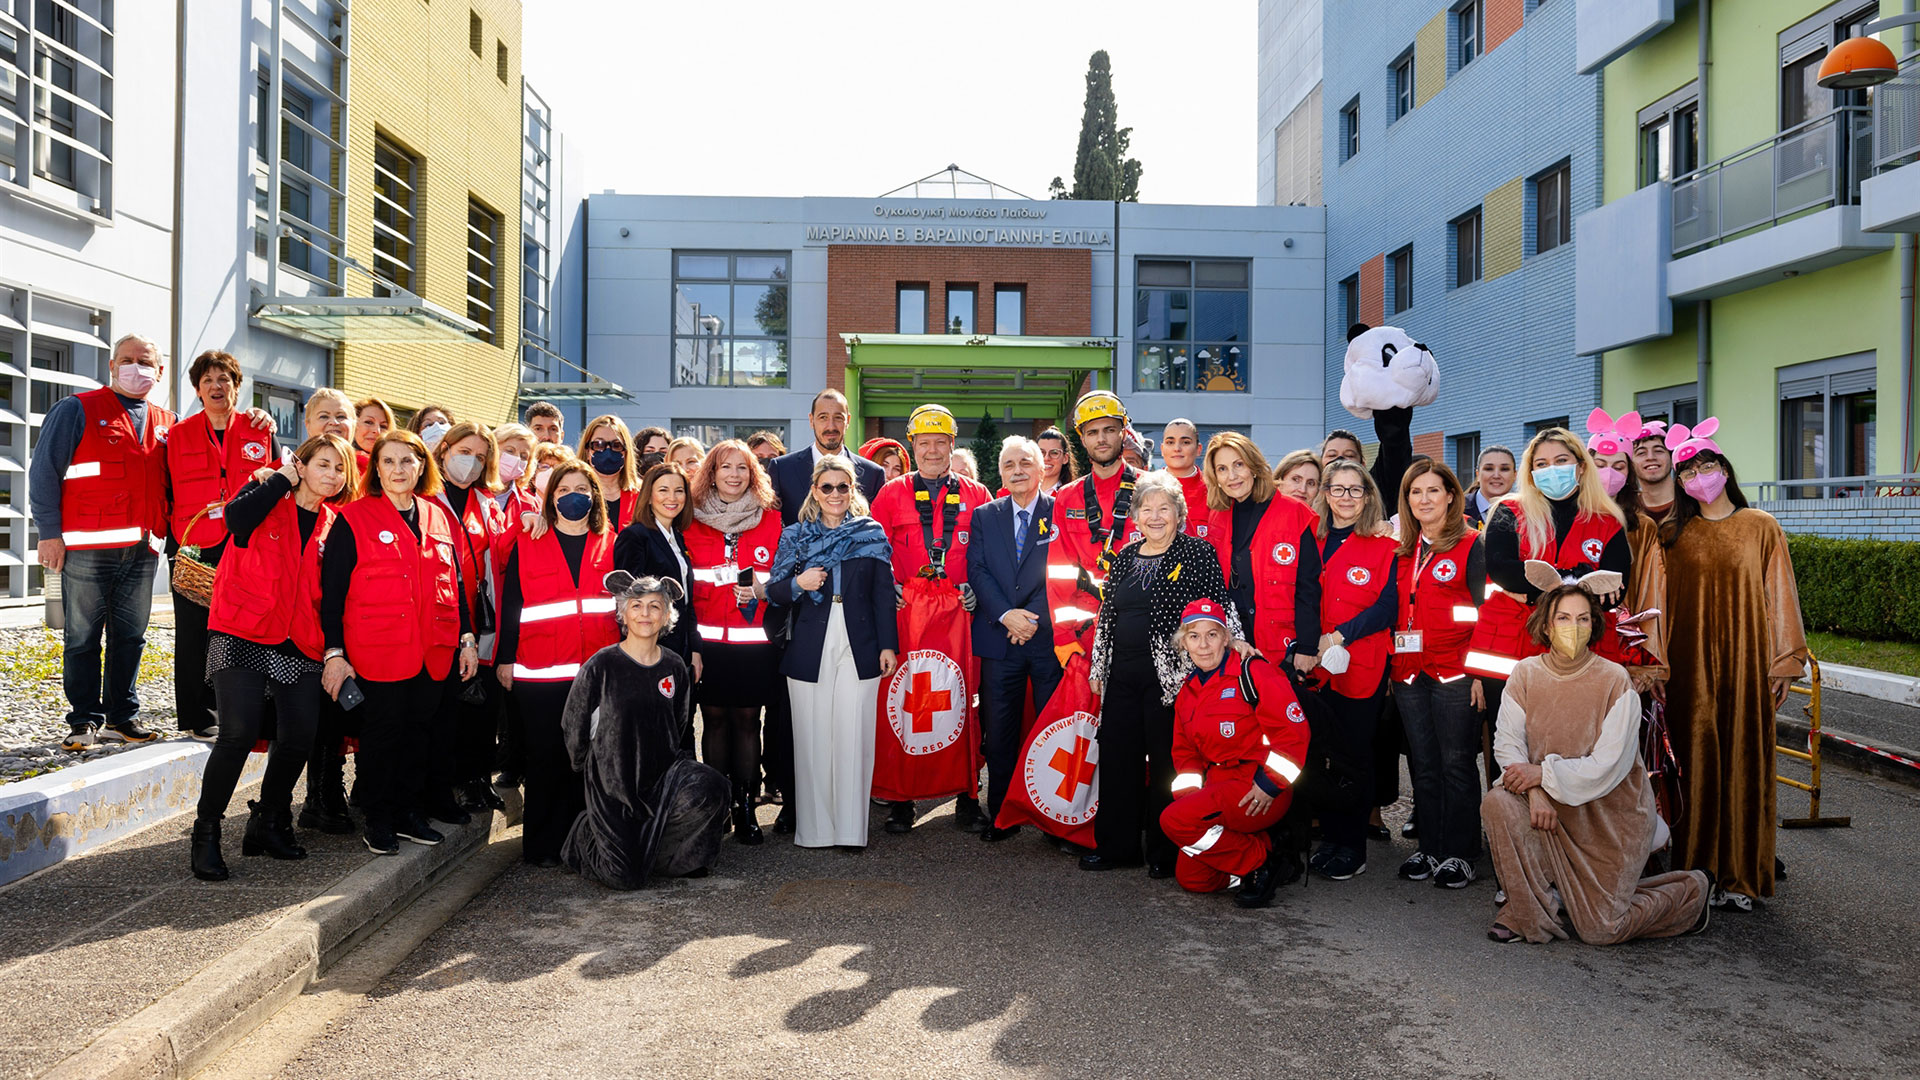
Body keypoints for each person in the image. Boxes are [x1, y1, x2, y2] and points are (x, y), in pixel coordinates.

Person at [1483, 583, 1711, 944]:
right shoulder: (1525, 674)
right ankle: (1528, 910)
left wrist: (1541, 774)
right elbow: (1507, 745)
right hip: (1548, 806)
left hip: (1607, 817)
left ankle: (1691, 891)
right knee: (1497, 803)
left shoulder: (1614, 680)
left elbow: (1608, 766)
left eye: (1582, 618)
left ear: (1594, 626)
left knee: (1601, 930)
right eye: (1563, 618)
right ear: (1545, 626)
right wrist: (1538, 791)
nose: (1572, 627)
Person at [190, 433, 354, 881]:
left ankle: (269, 821)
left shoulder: (336, 523)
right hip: (242, 629)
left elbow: (337, 592)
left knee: (300, 736)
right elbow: (236, 523)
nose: (332, 475)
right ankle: (206, 832)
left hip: (299, 639)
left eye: (340, 468)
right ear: (301, 464)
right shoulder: (263, 491)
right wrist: (279, 478)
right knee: (237, 734)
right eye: (323, 464)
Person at [1657, 422, 1807, 912]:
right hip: (1688, 668)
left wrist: (1784, 661)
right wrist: (1654, 666)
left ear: (1725, 470)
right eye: (1690, 471)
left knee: (1745, 764)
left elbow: (1781, 594)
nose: (1700, 476)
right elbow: (1654, 604)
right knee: (1693, 769)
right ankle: (1698, 876)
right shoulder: (1673, 534)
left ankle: (1741, 876)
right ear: (1680, 482)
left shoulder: (1760, 526)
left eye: (1708, 466)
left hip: (1747, 667)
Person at [320, 429, 474, 855]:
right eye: (388, 461)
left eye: (407, 461)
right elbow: (331, 595)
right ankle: (378, 818)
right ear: (375, 469)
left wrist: (466, 639)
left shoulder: (438, 517)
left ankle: (409, 812)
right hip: (377, 651)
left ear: (422, 465)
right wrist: (335, 653)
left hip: (435, 649)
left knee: (419, 733)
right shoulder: (353, 519)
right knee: (382, 736)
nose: (398, 470)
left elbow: (455, 584)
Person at [1085, 470, 1242, 875]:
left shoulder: (1197, 553)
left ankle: (1165, 851)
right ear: (1135, 516)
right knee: (1119, 761)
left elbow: (1219, 603)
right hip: (1121, 675)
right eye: (1147, 509)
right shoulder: (1125, 556)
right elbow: (1108, 616)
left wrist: (1237, 641)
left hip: (1172, 678)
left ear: (1179, 513)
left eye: (1164, 508)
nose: (1156, 517)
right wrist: (1098, 666)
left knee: (1170, 768)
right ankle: (1118, 848)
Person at [34, 334, 175, 751]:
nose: (137, 367)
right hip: (87, 549)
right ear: (112, 367)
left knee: (130, 637)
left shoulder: (170, 422)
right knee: (82, 637)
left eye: (145, 361)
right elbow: (44, 473)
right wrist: (48, 534)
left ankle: (121, 718)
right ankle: (83, 721)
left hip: (143, 549)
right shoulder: (76, 410)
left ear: (160, 371)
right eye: (127, 360)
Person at [561, 572, 731, 888]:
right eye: (636, 606)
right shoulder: (601, 666)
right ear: (623, 613)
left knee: (713, 786)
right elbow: (574, 725)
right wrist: (587, 768)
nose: (645, 614)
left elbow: (679, 722)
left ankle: (669, 857)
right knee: (624, 879)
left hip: (663, 775)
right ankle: (584, 836)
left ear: (667, 615)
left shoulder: (674, 666)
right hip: (615, 787)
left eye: (654, 607)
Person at [1466, 428, 1630, 753]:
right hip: (1512, 651)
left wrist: (1540, 584)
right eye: (1540, 464)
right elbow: (1502, 571)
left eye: (1560, 460)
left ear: (1581, 466)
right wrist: (1580, 578)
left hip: (1584, 651)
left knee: (1579, 748)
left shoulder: (1607, 521)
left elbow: (1615, 590)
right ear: (1530, 472)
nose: (1550, 469)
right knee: (1513, 752)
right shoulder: (1508, 512)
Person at [868, 403, 990, 834]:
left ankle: (967, 796)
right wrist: (889, 589)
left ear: (952, 445)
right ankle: (902, 799)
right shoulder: (890, 493)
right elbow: (874, 551)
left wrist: (978, 590)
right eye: (925, 443)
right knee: (902, 705)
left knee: (962, 704)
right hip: (908, 618)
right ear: (912, 446)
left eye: (941, 442)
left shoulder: (976, 494)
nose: (933, 450)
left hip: (959, 620)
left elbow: (986, 554)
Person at [766, 457, 898, 849]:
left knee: (854, 734)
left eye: (843, 487)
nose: (836, 494)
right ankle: (816, 831)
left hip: (860, 642)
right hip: (809, 641)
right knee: (812, 736)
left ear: (853, 491)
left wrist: (888, 644)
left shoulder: (870, 533)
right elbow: (774, 592)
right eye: (827, 487)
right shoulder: (795, 536)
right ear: (814, 491)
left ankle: (850, 831)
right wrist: (799, 583)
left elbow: (882, 595)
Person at [496, 458, 618, 867]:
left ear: (594, 496)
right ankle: (543, 846)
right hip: (540, 671)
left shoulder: (610, 541)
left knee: (588, 759)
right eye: (563, 491)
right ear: (550, 499)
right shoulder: (529, 540)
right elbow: (512, 603)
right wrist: (505, 659)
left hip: (594, 672)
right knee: (546, 757)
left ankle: (583, 843)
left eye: (582, 489)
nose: (573, 497)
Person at [1162, 598, 1311, 908]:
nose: (1203, 645)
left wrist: (1270, 784)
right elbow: (1185, 754)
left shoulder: (1253, 672)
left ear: (1226, 638)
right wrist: (1192, 802)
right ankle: (1272, 848)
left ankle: (1259, 863)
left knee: (1173, 822)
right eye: (1193, 636)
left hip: (1258, 785)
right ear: (1183, 643)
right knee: (1195, 880)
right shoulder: (1187, 690)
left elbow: (1294, 733)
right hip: (1217, 787)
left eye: (1212, 634)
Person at [166, 350, 279, 740]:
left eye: (224, 379)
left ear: (236, 386)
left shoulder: (261, 429)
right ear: (197, 389)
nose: (217, 386)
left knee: (241, 629)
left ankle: (243, 711)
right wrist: (174, 544)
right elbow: (165, 489)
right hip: (196, 545)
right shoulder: (177, 435)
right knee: (195, 632)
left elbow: (280, 484)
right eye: (208, 380)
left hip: (247, 544)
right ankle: (199, 715)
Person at [1389, 460, 1487, 888]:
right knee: (1424, 765)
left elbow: (1492, 614)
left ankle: (1461, 852)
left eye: (1433, 491)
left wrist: (1481, 673)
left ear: (1451, 495)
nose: (1424, 499)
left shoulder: (1472, 544)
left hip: (1456, 673)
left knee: (1457, 764)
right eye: (1415, 492)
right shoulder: (1401, 549)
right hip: (1409, 672)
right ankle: (1429, 848)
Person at [684, 439, 784, 845]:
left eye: (743, 468)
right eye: (725, 467)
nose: (734, 475)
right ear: (711, 472)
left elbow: (783, 580)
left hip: (753, 645)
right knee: (714, 721)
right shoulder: (690, 521)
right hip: (708, 645)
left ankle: (745, 806)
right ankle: (718, 803)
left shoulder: (772, 521)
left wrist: (766, 588)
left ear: (753, 474)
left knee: (747, 722)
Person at [1304, 459, 1399, 882]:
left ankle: (1352, 845)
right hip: (1317, 668)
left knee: (1354, 757)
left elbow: (1388, 607)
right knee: (1323, 754)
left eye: (1355, 490)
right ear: (1325, 494)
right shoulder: (1313, 539)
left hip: (1361, 664)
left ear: (1368, 496)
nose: (1346, 498)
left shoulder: (1385, 545)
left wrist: (1342, 634)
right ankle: (1331, 838)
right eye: (1337, 489)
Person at [966, 436, 1063, 844]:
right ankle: (1002, 812)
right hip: (999, 639)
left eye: (1026, 462)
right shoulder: (984, 515)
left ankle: (1054, 817)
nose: (1017, 470)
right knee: (1000, 731)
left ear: (1043, 469)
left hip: (1047, 641)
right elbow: (978, 570)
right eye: (1009, 464)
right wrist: (1007, 615)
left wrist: (1031, 618)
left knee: (1052, 730)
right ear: (1000, 473)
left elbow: (1065, 567)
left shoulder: (1061, 511)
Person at [430, 421, 511, 818]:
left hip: (481, 619)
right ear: (444, 449)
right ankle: (446, 783)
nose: (471, 462)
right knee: (447, 709)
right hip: (439, 617)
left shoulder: (487, 504)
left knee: (483, 704)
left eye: (480, 457)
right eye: (465, 451)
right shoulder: (424, 496)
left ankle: (477, 779)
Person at [1200, 431, 1320, 668]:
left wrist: (1307, 647)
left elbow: (1309, 586)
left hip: (1281, 646)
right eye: (1222, 469)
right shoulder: (1217, 515)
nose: (1231, 476)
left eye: (1238, 465)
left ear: (1254, 466)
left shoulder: (1294, 512)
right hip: (1232, 643)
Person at [1044, 392, 1140, 670]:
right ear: (1082, 439)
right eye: (1093, 432)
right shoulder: (1067, 497)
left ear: (1123, 433)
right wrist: (1063, 637)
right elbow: (1058, 573)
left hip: (1143, 625)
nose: (1101, 439)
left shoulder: (1153, 489)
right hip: (1086, 632)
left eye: (1110, 430)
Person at [613, 463, 701, 682]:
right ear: (649, 496)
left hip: (681, 649)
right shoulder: (635, 537)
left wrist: (695, 649)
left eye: (679, 490)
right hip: (650, 653)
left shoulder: (679, 538)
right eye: (663, 490)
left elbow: (687, 601)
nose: (672, 497)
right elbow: (628, 605)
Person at [768, 389, 886, 526]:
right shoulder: (782, 469)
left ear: (847, 421)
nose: (831, 426)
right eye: (823, 417)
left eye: (838, 418)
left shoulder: (873, 474)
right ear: (811, 420)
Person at [578, 415, 642, 529]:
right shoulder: (574, 494)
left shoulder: (643, 494)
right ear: (587, 451)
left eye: (616, 445)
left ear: (626, 452)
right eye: (598, 445)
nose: (607, 451)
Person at [1160, 419, 1210, 537]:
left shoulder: (1214, 490)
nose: (1177, 448)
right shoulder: (1145, 487)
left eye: (1185, 442)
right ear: (1162, 449)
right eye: (1170, 442)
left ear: (1198, 449)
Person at [1631, 420, 1677, 524]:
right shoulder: (1627, 511)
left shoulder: (1693, 504)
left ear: (1672, 459)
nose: (1651, 457)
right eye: (1641, 453)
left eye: (1659, 451)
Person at [493, 422, 537, 521]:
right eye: (510, 451)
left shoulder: (530, 505)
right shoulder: (470, 491)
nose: (517, 458)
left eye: (523, 456)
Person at [1465, 446, 1517, 529]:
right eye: (1489, 469)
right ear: (1478, 474)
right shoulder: (1457, 510)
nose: (1496, 476)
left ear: (1515, 475)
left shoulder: (1526, 512)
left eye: (1504, 469)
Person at [352, 397, 394, 478]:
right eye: (369, 422)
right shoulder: (338, 462)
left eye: (383, 426)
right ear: (354, 424)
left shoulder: (397, 468)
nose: (377, 431)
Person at [1036, 426, 1076, 495]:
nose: (1046, 458)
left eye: (1054, 453)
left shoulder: (1072, 495)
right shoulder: (1017, 490)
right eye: (1041, 452)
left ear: (1065, 458)